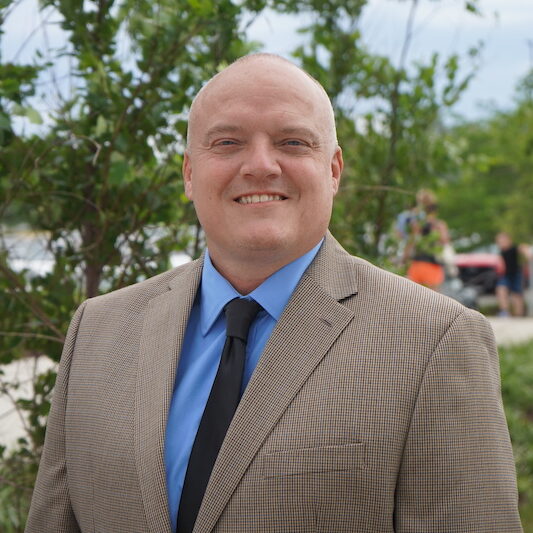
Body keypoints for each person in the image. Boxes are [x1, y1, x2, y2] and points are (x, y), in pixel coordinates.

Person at [26, 54, 522, 533]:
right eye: (227, 142)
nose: (260, 165)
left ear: (333, 171)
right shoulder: (97, 330)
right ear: (189, 173)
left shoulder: (436, 341)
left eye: (292, 142)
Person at [404, 190, 451, 291]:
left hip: (419, 264)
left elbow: (410, 244)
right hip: (430, 266)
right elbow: (445, 241)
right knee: (431, 298)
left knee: (414, 296)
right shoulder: (437, 224)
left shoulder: (417, 224)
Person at [495, 231, 532, 317]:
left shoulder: (513, 249)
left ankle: (519, 314)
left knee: (517, 294)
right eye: (499, 242)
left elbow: (523, 247)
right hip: (505, 275)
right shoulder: (501, 252)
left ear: (509, 241)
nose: (501, 243)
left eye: (503, 241)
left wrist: (527, 253)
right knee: (501, 289)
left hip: (516, 274)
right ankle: (504, 311)